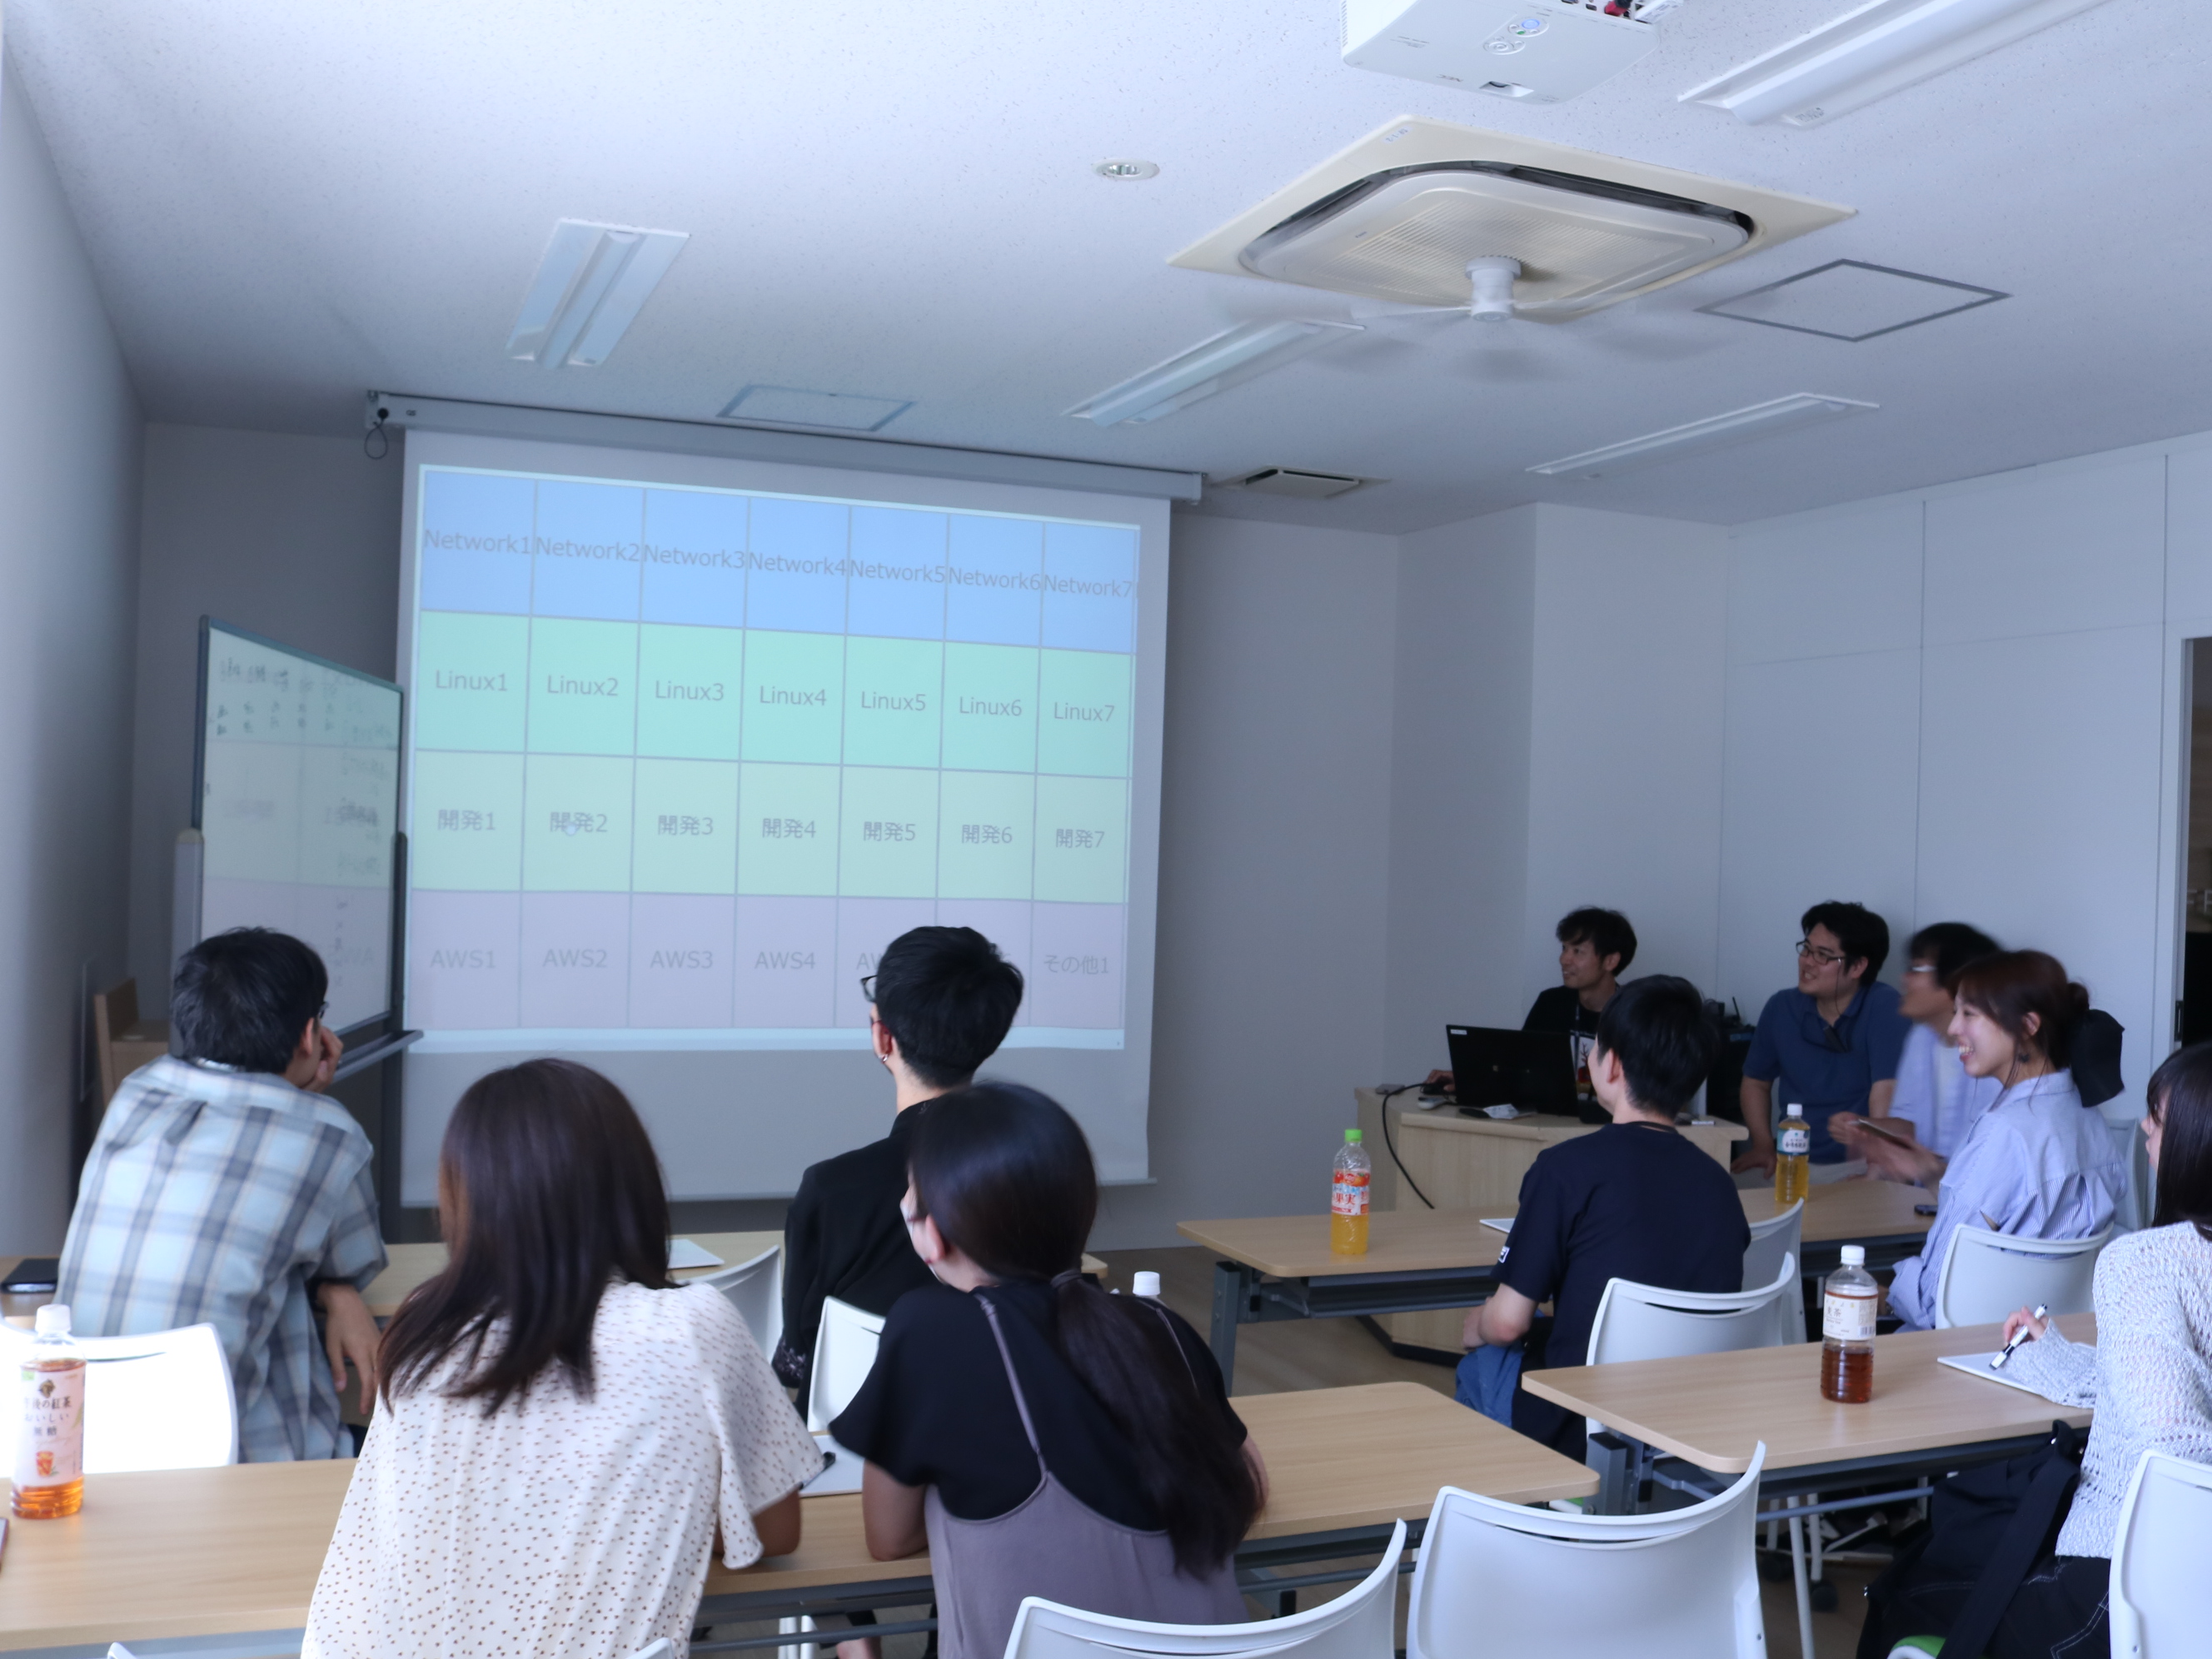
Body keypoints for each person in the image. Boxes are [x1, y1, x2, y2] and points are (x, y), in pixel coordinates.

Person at [302, 1059, 821, 1659]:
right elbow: (773, 1532)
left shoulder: (422, 1328)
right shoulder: (690, 1327)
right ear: (630, 1186)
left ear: (462, 1200)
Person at [830, 1083, 1263, 1659]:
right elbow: (1249, 1483)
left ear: (931, 1233)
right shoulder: (1161, 1325)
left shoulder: (931, 1331)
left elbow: (888, 1539)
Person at [1860, 1042, 2212, 1659]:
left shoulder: (2147, 1263)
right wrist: (2054, 1355)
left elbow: (2172, 1436)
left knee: (1905, 1594)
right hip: (2182, 1594)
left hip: (2124, 1584)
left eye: (2157, 1120)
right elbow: (2169, 1382)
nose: (2144, 1132)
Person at [57, 928, 386, 1462]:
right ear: (310, 1034)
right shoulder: (328, 1134)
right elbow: (352, 1264)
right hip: (229, 1459)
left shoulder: (138, 1091)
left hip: (82, 1447)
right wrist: (310, 1104)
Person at [1455, 975, 1750, 1457]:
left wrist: (1479, 1323)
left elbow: (1507, 1323)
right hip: (1686, 1427)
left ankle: (1513, 1499)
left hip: (1579, 1424)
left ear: (1610, 1065)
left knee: (1480, 1364)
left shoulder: (1565, 1170)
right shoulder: (1719, 1184)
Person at [774, 925, 1024, 1388]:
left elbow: (796, 1363)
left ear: (883, 1038)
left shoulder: (833, 1188)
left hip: (854, 1422)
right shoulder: (1033, 1170)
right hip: (1001, 1406)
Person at [1836, 950, 2128, 1332]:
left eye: (1969, 1014)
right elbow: (2025, 1221)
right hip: (2047, 1342)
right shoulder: (2088, 1118)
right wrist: (1933, 1173)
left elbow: (1932, 1301)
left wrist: (1884, 1296)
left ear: (2027, 1026)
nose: (1954, 1027)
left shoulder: (2004, 1131)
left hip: (1954, 1348)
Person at [1735, 900, 1911, 1178]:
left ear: (1858, 966)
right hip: (1790, 1156)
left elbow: (1886, 1091)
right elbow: (1756, 1082)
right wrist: (1763, 1145)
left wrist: (1875, 1168)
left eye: (1823, 955)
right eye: (1806, 949)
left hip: (1857, 1163)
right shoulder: (1782, 1006)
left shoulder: (1885, 1007)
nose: (1807, 961)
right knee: (1729, 1187)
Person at [1425, 906, 1637, 1094]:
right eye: (1564, 948)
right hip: (1550, 1118)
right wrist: (1468, 1078)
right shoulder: (1551, 1003)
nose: (1564, 959)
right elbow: (1519, 1068)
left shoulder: (1636, 1015)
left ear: (1610, 961)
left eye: (1577, 951)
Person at [1884, 921, 2001, 1156]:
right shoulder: (1921, 1038)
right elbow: (1909, 1123)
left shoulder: (1995, 1050)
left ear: (1955, 979)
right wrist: (1861, 1128)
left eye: (1916, 969)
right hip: (1931, 1178)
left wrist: (1933, 1172)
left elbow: (1994, 1153)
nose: (1904, 979)